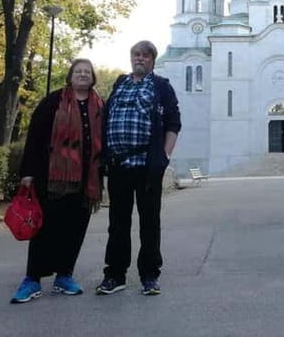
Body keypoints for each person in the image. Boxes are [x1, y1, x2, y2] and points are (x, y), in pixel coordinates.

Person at [10, 58, 104, 304]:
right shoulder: (54, 101)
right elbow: (35, 136)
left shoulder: (99, 105)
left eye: (87, 72)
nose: (83, 75)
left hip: (86, 182)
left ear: (92, 77)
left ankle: (64, 276)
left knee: (75, 229)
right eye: (78, 71)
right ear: (70, 76)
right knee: (46, 229)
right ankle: (32, 279)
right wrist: (28, 173)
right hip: (52, 179)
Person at [95, 40, 181, 296]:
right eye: (135, 54)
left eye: (145, 55)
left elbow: (173, 123)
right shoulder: (120, 83)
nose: (139, 59)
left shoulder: (160, 86)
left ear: (153, 60)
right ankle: (115, 274)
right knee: (117, 222)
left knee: (149, 222)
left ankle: (149, 275)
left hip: (147, 165)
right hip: (120, 164)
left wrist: (163, 157)